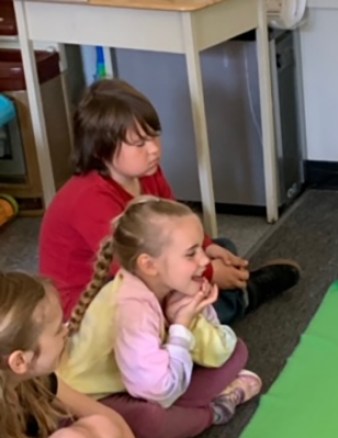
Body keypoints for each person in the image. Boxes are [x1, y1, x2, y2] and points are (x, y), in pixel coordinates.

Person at [39, 78, 301, 325]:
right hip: (90, 307)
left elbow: (176, 226)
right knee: (181, 295)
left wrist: (207, 247)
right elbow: (137, 271)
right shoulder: (89, 199)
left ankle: (225, 296)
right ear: (100, 150)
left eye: (154, 135)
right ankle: (241, 298)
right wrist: (209, 273)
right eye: (139, 143)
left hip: (144, 268)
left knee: (222, 247)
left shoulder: (147, 172)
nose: (154, 149)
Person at [57, 196, 261, 438]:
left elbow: (220, 351)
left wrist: (191, 319)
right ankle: (212, 412)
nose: (205, 260)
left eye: (200, 248)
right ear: (149, 265)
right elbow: (160, 393)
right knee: (151, 420)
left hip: (138, 384)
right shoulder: (132, 309)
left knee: (236, 351)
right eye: (191, 254)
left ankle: (198, 406)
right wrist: (181, 326)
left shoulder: (171, 283)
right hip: (87, 402)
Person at [0, 271, 133, 438]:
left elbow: (108, 417)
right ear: (19, 361)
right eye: (57, 330)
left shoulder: (37, 379)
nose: (66, 331)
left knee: (102, 424)